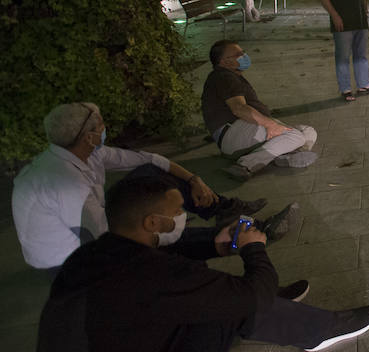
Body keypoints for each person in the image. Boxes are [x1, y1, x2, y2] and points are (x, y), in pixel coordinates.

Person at [34, 171, 369, 352]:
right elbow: (239, 294)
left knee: (213, 294)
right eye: (178, 211)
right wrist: (254, 250)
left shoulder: (93, 256)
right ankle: (319, 331)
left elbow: (169, 259)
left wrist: (215, 245)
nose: (184, 216)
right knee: (233, 309)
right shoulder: (151, 275)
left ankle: (276, 307)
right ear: (153, 221)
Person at [12, 102, 296, 272]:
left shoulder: (86, 152)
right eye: (100, 126)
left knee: (152, 175)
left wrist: (194, 180)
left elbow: (151, 159)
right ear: (87, 137)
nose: (105, 129)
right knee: (163, 239)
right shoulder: (64, 183)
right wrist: (167, 231)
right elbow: (106, 240)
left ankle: (225, 214)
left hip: (93, 226)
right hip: (70, 260)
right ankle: (239, 236)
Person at [203, 39, 321, 181]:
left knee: (308, 131)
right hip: (233, 133)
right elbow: (239, 108)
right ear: (224, 61)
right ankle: (246, 165)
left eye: (243, 52)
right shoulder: (224, 77)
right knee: (296, 136)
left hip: (242, 130)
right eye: (238, 54)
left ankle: (284, 155)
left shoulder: (230, 76)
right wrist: (271, 125)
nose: (244, 56)